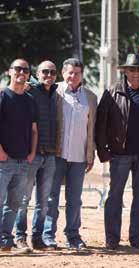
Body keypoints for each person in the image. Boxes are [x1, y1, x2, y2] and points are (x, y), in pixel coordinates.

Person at [95, 53, 139, 250]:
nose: (136, 74)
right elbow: (100, 123)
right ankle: (112, 239)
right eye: (132, 70)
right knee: (115, 195)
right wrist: (102, 150)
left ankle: (136, 237)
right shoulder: (112, 91)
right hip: (119, 153)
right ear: (125, 71)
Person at [43, 58, 97, 250]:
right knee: (51, 197)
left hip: (79, 157)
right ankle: (47, 235)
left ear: (81, 75)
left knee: (75, 199)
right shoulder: (53, 92)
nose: (73, 76)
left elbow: (92, 128)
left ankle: (73, 236)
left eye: (77, 73)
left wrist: (91, 154)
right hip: (56, 155)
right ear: (63, 74)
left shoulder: (90, 97)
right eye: (69, 72)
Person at [14, 61, 58, 251]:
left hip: (50, 156)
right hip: (31, 156)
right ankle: (20, 237)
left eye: (52, 72)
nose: (49, 75)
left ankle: (38, 238)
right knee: (23, 199)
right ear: (38, 74)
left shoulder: (56, 94)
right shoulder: (30, 91)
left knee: (44, 202)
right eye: (45, 72)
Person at [0, 59, 38, 253]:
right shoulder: (2, 96)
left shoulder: (30, 100)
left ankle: (5, 242)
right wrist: (1, 152)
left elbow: (33, 130)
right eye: (18, 69)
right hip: (3, 161)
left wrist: (31, 153)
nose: (21, 72)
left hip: (23, 161)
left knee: (14, 204)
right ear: (9, 71)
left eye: (25, 69)